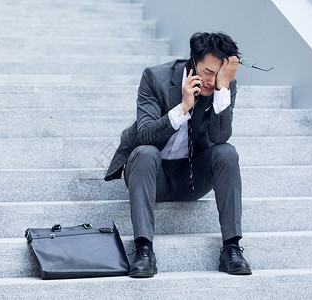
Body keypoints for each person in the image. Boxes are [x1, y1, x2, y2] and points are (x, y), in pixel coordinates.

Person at [104, 32, 252, 278]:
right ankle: (143, 250)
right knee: (144, 152)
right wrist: (183, 107)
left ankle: (231, 249)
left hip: (191, 177)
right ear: (192, 62)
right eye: (207, 71)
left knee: (227, 152)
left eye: (219, 73)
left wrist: (222, 89)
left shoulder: (223, 86)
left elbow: (219, 138)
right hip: (152, 173)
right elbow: (144, 135)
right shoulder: (155, 77)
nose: (211, 80)